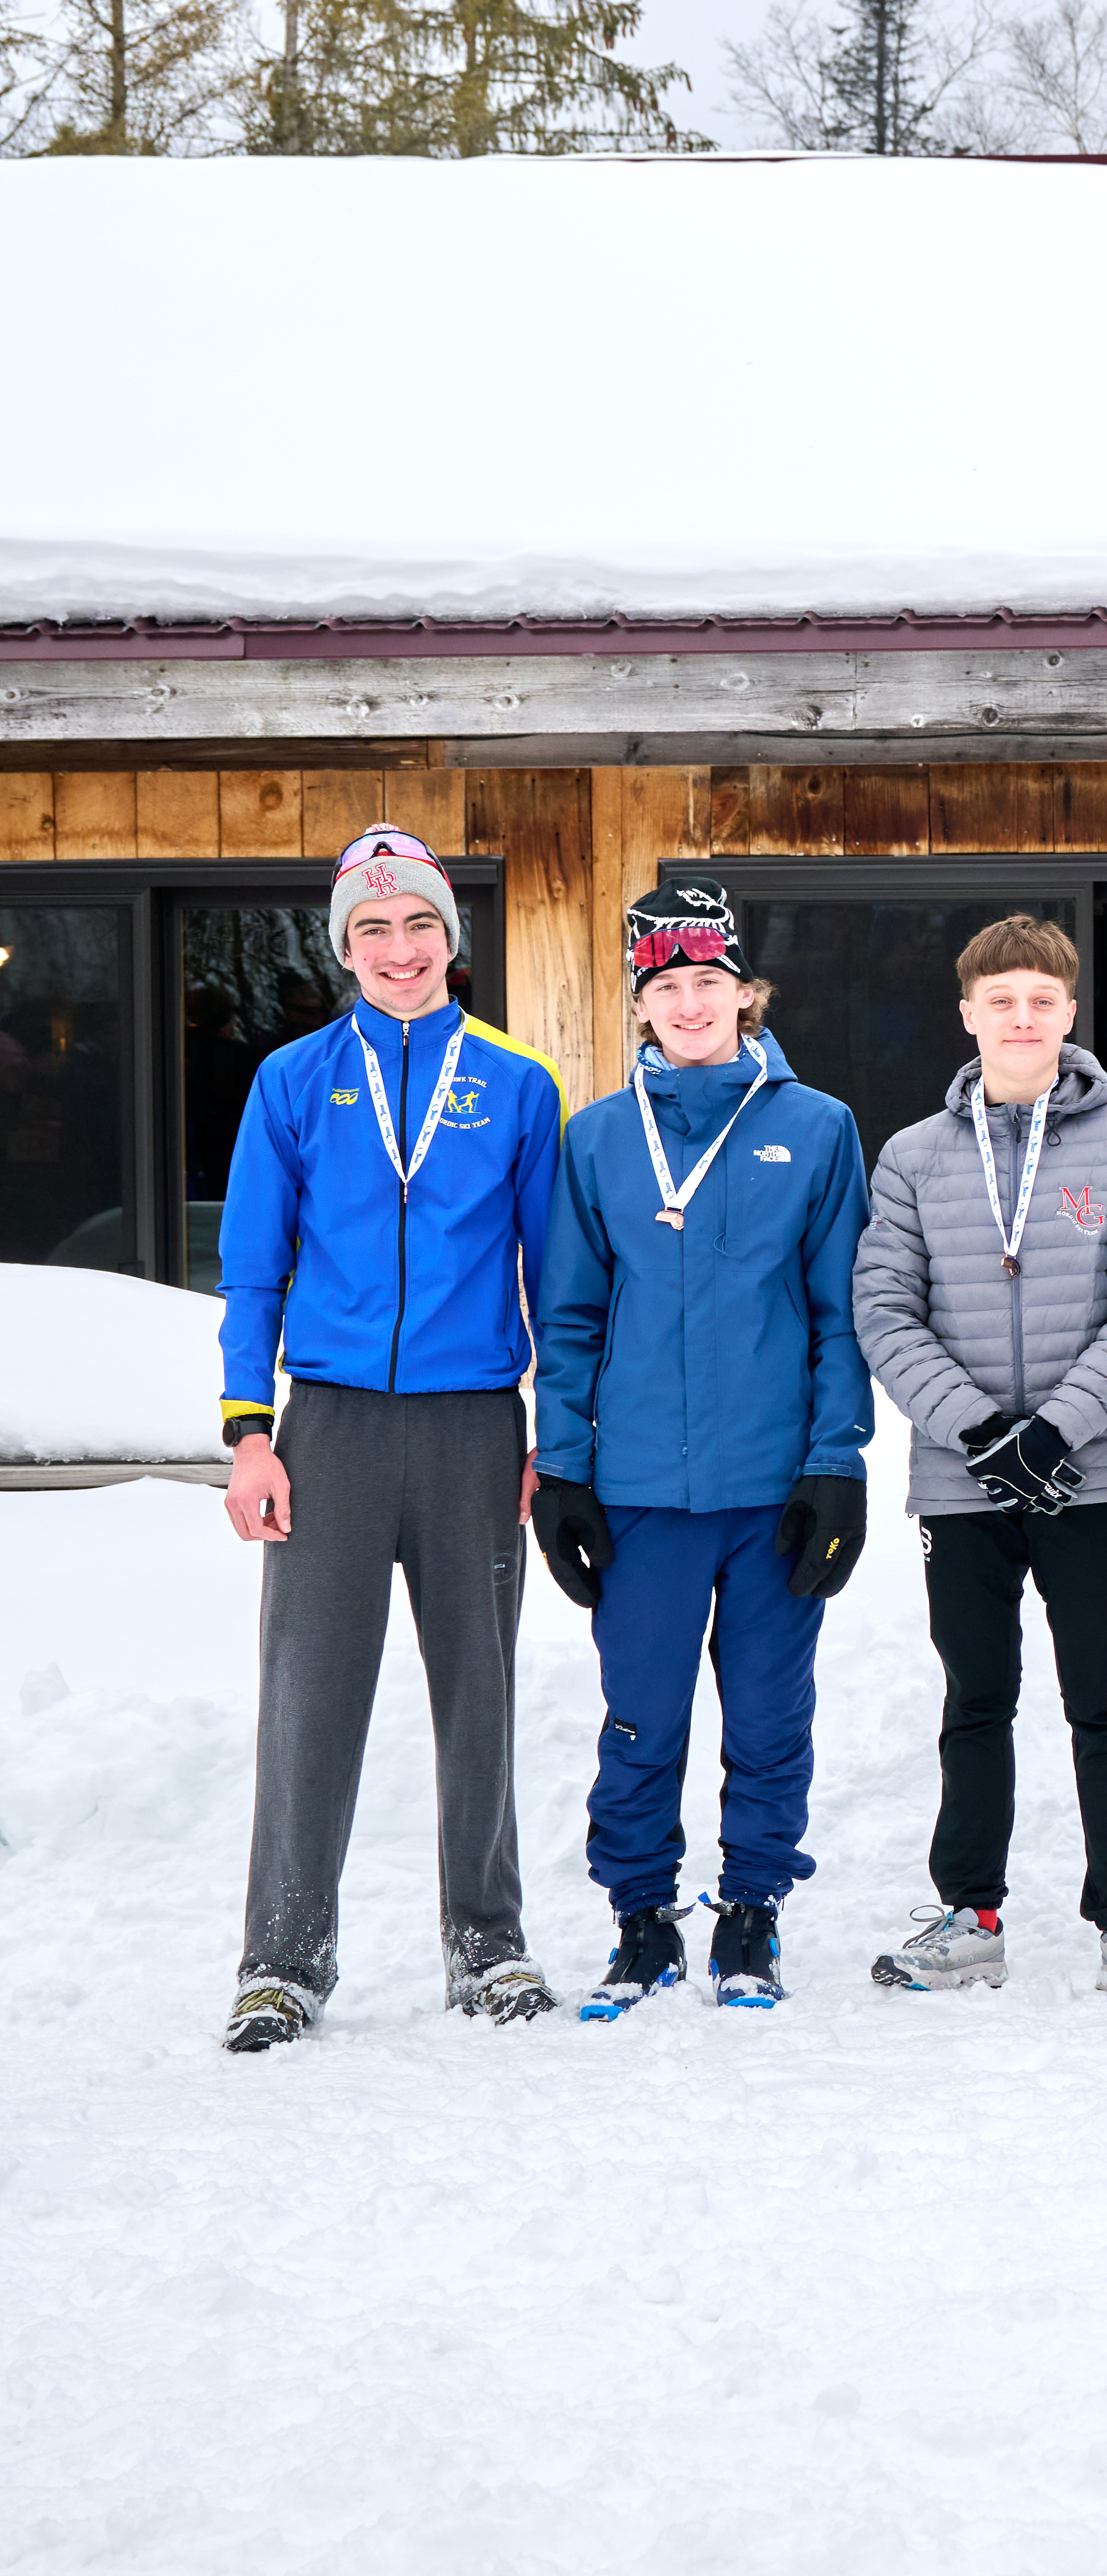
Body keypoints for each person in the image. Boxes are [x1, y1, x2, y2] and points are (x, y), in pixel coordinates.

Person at [211, 824, 569, 2051]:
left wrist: (552, 1432)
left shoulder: (517, 1083)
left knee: (482, 1690)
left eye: (418, 924)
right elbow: (252, 1272)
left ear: (450, 940)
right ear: (344, 947)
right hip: (335, 1427)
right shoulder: (294, 1081)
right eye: (372, 928)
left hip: (476, 1423)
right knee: (310, 1693)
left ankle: (489, 1941)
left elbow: (555, 1275)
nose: (398, 948)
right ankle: (285, 1957)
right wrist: (251, 1435)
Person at [530, 877, 875, 2017]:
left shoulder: (817, 1128)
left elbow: (838, 1314)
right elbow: (570, 1318)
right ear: (640, 1003)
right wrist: (563, 1470)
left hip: (773, 1485)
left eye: (709, 982)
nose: (689, 1002)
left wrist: (838, 1464)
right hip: (636, 1490)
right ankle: (641, 1919)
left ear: (747, 993)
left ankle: (752, 1912)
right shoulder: (595, 1140)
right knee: (642, 1717)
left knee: (771, 1716)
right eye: (666, 985)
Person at [854, 912, 1107, 1996]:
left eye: (1041, 999)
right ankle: (970, 1913)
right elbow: (884, 1308)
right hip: (963, 1480)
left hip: (1087, 1470)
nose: (1021, 1016)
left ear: (1068, 1013)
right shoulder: (912, 1156)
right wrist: (977, 1431)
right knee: (976, 1697)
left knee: (1103, 1697)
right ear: (968, 1016)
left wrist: (1052, 1429)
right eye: (1000, 1000)